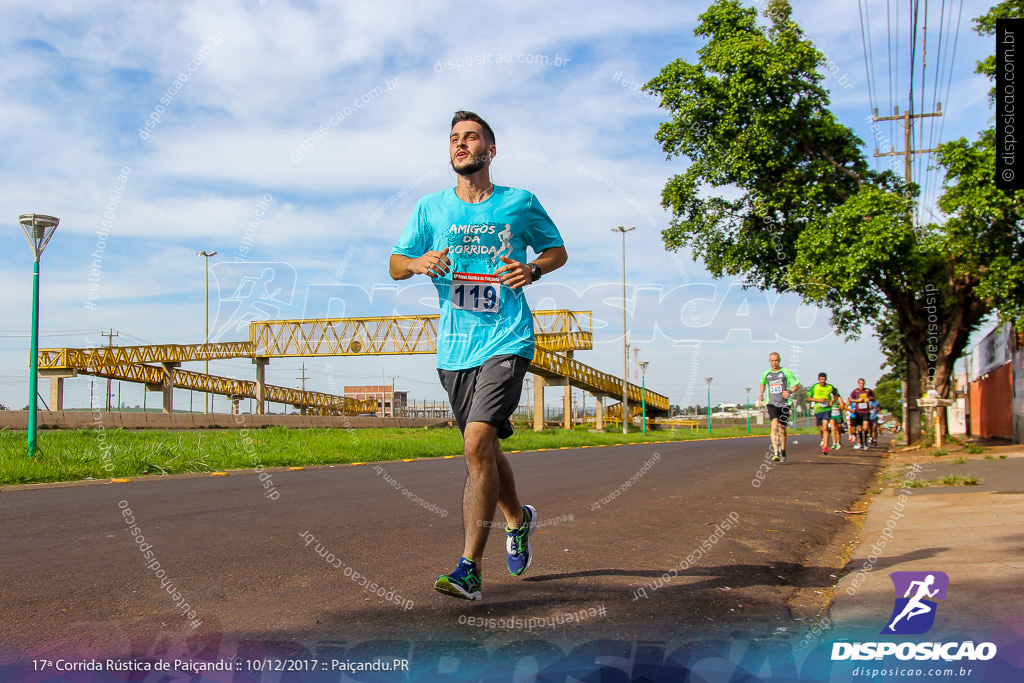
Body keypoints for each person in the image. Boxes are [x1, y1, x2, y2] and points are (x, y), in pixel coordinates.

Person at [389, 111, 567, 601]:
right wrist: (417, 262)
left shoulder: (519, 202)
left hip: (508, 337)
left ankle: (469, 569)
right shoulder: (431, 209)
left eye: (471, 137)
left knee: (475, 444)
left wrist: (532, 270)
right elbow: (395, 264)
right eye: (454, 139)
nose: (461, 145)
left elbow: (556, 251)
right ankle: (517, 517)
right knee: (485, 449)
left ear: (491, 149)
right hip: (455, 347)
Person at [758, 352, 800, 462]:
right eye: (772, 360)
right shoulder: (766, 374)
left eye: (776, 360)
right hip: (771, 403)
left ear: (779, 360)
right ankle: (776, 452)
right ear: (769, 361)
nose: (774, 362)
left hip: (784, 404)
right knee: (774, 427)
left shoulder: (785, 372)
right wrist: (761, 394)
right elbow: (762, 383)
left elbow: (795, 384)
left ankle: (783, 449)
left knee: (782, 429)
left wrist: (790, 391)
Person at [808, 372, 840, 455]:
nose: (823, 381)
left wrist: (832, 401)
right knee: (821, 428)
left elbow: (836, 394)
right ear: (818, 379)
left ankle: (825, 447)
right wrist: (819, 400)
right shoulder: (815, 387)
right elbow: (809, 398)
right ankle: (822, 439)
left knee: (825, 427)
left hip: (827, 409)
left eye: (824, 379)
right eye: (821, 379)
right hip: (818, 410)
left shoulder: (830, 387)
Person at [848, 378, 876, 450]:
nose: (862, 385)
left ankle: (865, 442)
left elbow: (873, 397)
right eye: (860, 383)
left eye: (863, 383)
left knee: (866, 427)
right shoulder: (855, 391)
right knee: (860, 429)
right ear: (858, 384)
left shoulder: (868, 391)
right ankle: (861, 443)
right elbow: (850, 399)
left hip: (866, 411)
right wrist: (857, 400)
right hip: (858, 412)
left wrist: (869, 399)